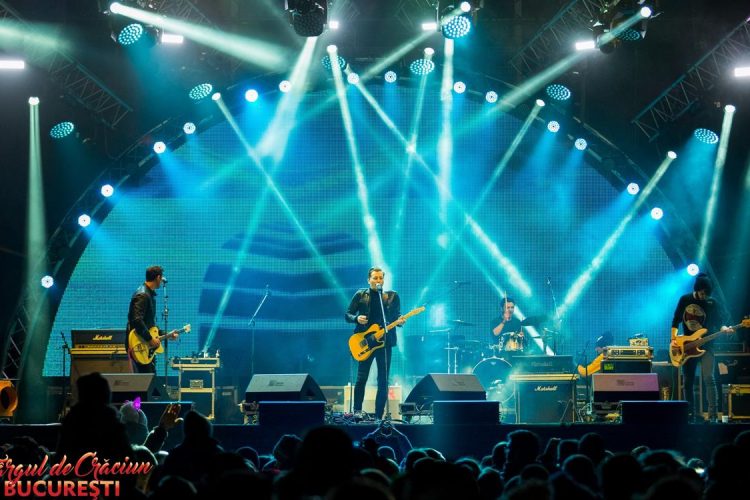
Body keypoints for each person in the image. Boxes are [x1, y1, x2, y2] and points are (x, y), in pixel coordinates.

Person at [671, 273, 734, 422]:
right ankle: (690, 414)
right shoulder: (685, 299)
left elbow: (719, 322)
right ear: (697, 289)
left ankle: (713, 415)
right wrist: (674, 339)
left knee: (708, 377)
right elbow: (676, 320)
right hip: (687, 346)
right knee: (688, 381)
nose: (704, 296)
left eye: (707, 294)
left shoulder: (712, 302)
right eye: (702, 293)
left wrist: (724, 328)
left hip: (707, 345)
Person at [345, 267, 404, 420]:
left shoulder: (392, 296)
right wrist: (356, 318)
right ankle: (357, 411)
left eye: (380, 278)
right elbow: (347, 314)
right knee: (361, 378)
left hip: (384, 343)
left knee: (383, 380)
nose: (378, 281)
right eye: (375, 278)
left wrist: (400, 321)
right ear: (368, 280)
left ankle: (379, 415)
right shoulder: (360, 295)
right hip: (365, 342)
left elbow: (397, 315)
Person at [127, 265, 177, 373]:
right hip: (139, 345)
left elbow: (149, 326)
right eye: (161, 277)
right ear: (158, 277)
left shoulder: (147, 293)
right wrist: (150, 339)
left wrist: (167, 334)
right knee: (146, 379)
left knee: (149, 377)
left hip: (144, 344)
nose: (161, 281)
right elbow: (137, 320)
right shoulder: (143, 295)